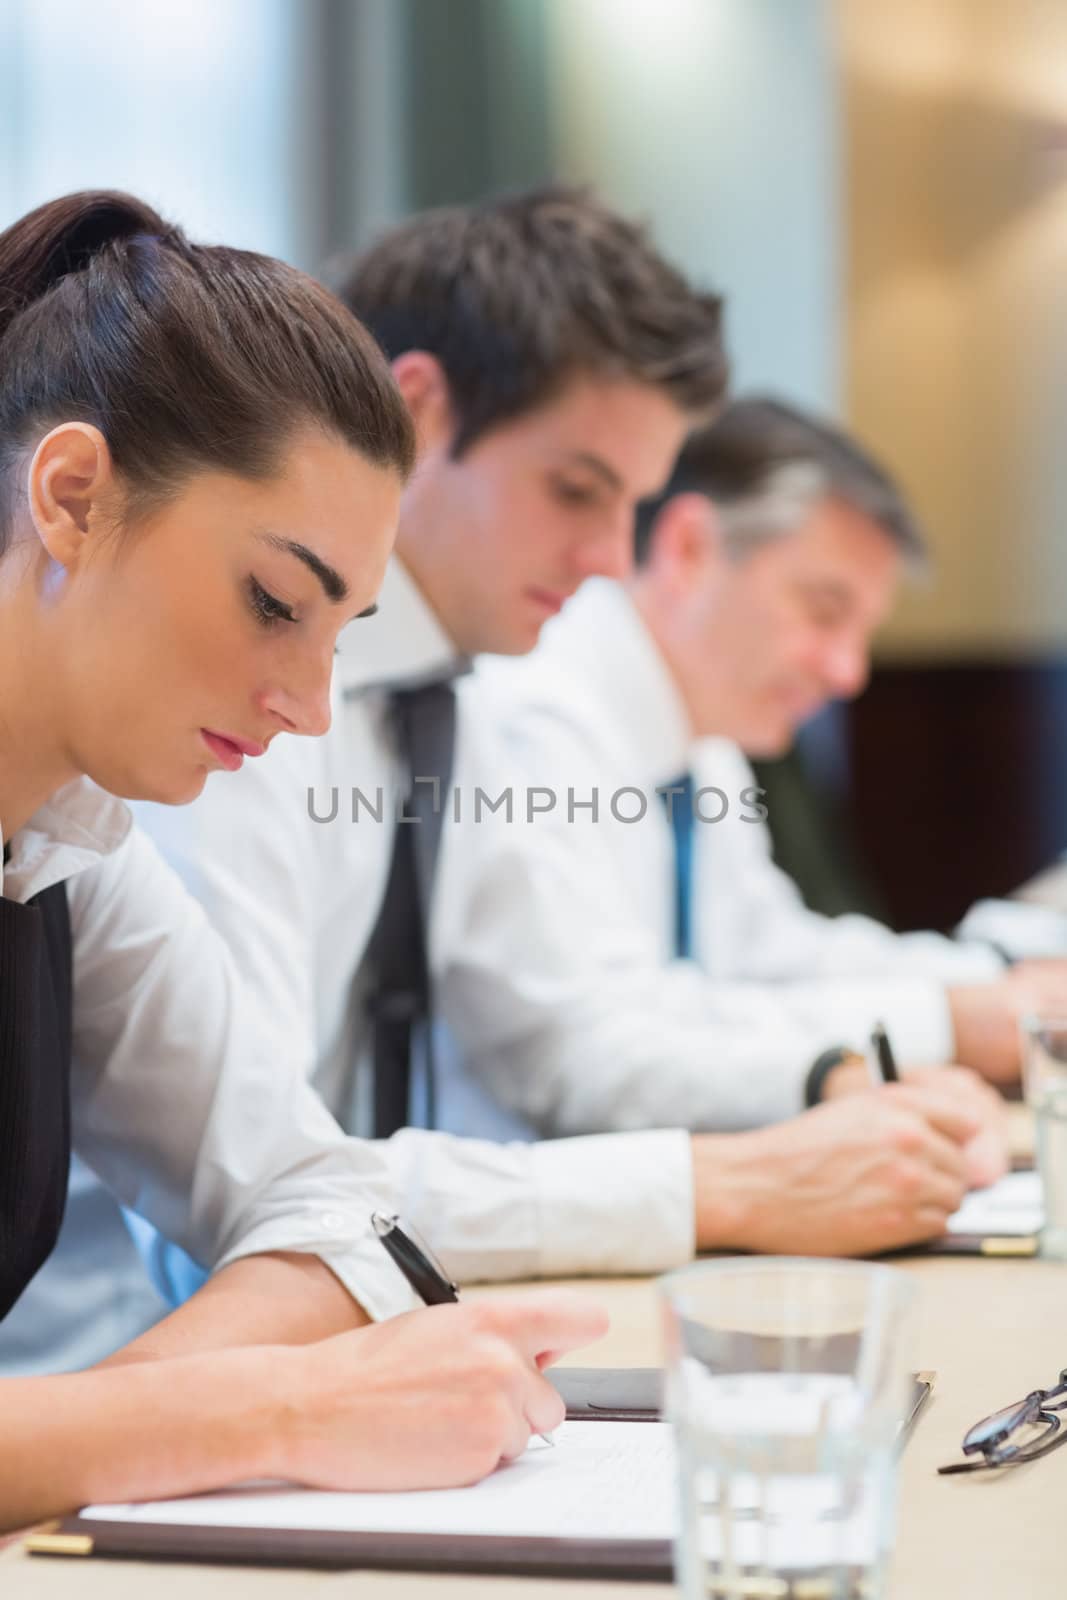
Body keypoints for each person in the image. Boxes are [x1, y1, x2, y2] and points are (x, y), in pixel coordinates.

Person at [67, 188, 986, 1358]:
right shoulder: (217, 712)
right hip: (119, 1359)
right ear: (419, 412)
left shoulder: (452, 697)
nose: (613, 559)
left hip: (319, 1320)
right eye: (575, 488)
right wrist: (730, 1179)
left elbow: (555, 1033)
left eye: (631, 504)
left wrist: (836, 1072)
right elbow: (238, 1206)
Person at [0, 190, 604, 1531]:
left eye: (338, 632)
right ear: (72, 497)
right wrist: (255, 1412)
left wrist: (85, 1440)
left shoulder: (65, 852)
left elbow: (326, 1206)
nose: (310, 706)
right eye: (274, 603)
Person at [461, 397, 1066, 1121]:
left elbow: (769, 955)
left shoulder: (700, 731)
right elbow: (593, 1058)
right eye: (822, 611)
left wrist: (996, 984)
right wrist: (945, 1023)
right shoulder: (538, 713)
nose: (847, 674)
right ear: (688, 549)